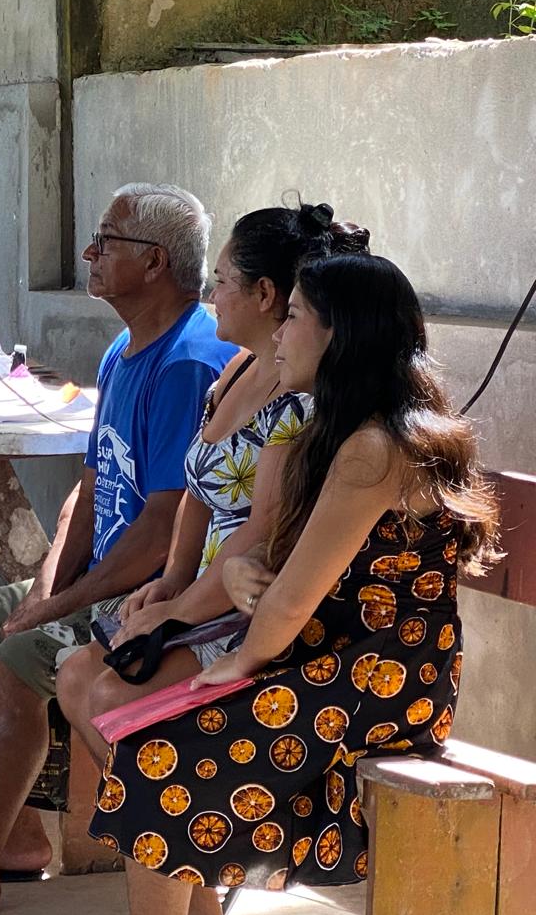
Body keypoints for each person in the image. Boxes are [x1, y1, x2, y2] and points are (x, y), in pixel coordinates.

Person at [0, 184, 238, 915]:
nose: (89, 253)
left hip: (155, 595)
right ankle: (16, 840)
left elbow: (165, 527)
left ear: (154, 262)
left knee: (14, 658)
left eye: (106, 241)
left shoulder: (189, 360)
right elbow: (89, 488)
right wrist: (44, 586)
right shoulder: (125, 347)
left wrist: (62, 604)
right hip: (101, 578)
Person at [88, 253, 499, 915]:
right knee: (145, 739)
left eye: (297, 317)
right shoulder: (340, 433)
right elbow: (279, 558)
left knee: (154, 754)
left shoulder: (376, 448)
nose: (279, 333)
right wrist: (241, 574)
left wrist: (238, 662)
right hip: (335, 657)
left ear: (341, 335)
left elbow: (292, 601)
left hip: (379, 676)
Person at [56, 204, 367, 766]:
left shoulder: (298, 401)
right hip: (204, 594)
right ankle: (142, 818)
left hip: (246, 611)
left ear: (265, 295)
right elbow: (196, 491)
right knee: (75, 678)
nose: (210, 296)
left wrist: (177, 612)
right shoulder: (237, 370)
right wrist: (172, 581)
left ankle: (163, 820)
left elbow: (261, 533)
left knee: (111, 698)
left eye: (222, 282)